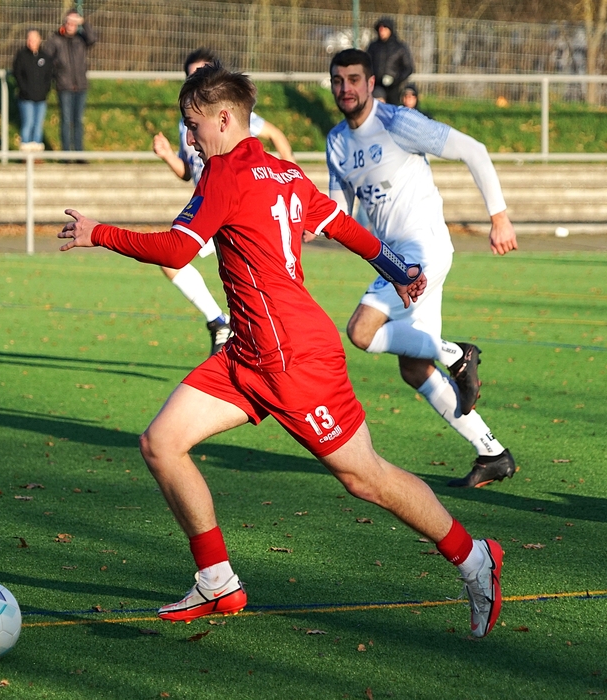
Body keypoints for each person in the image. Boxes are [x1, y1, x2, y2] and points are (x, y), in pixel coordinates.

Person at [58, 63, 503, 637]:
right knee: (162, 443)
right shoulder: (283, 172)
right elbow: (343, 225)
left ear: (224, 119)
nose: (190, 136)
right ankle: (217, 581)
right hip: (248, 352)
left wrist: (100, 233)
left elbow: (175, 251)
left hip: (295, 358)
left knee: (365, 477)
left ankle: (475, 559)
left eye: (194, 124)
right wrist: (397, 270)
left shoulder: (225, 174)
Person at [324, 49, 518, 489]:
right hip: (394, 257)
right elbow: (339, 210)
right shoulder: (336, 141)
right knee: (413, 368)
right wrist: (305, 223)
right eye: (337, 80)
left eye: (353, 79)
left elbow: (473, 150)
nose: (345, 88)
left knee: (361, 332)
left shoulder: (399, 123)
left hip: (422, 251)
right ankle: (492, 452)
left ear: (370, 83)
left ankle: (455, 354)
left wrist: (499, 217)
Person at [151, 47, 296, 355]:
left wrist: (290, 174)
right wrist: (166, 156)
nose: (195, 79)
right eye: (190, 75)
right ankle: (221, 322)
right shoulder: (187, 122)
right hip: (209, 207)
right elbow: (187, 171)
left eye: (200, 72)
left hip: (234, 204)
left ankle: (253, 334)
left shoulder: (228, 114)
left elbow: (276, 135)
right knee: (171, 258)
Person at [46, 9, 97, 155]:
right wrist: (56, 74)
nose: (71, 25)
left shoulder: (80, 39)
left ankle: (79, 152)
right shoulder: (56, 39)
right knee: (66, 120)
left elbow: (92, 39)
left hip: (80, 85)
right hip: (64, 86)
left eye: (74, 23)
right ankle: (67, 154)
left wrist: (84, 22)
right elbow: (47, 58)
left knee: (78, 121)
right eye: (69, 22)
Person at [12, 29, 53, 152]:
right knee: (28, 123)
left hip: (41, 98)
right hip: (26, 98)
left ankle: (37, 152)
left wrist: (45, 90)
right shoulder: (21, 56)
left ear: (39, 40)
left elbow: (49, 76)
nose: (31, 42)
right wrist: (24, 89)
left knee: (38, 125)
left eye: (34, 39)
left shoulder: (45, 57)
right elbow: (17, 74)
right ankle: (25, 151)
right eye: (29, 39)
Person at [366, 17, 414, 106]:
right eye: (380, 29)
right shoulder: (373, 47)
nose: (382, 31)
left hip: (393, 89)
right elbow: (366, 64)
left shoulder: (399, 47)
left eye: (385, 29)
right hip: (376, 86)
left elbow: (408, 68)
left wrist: (395, 80)